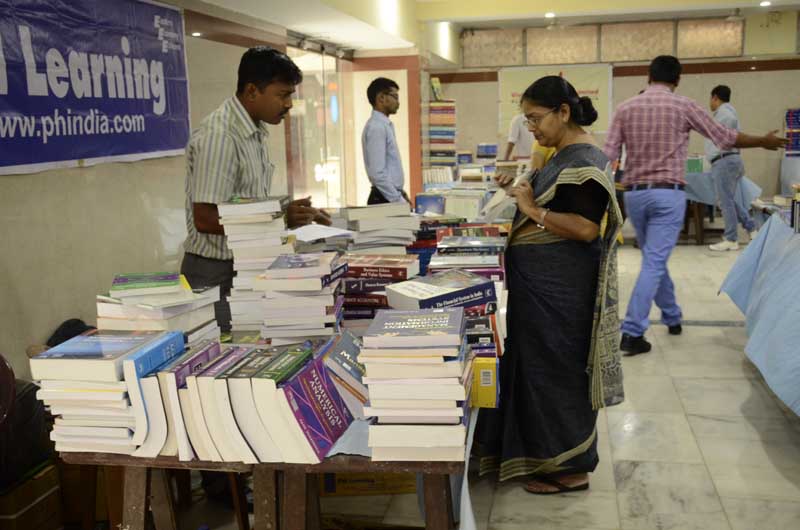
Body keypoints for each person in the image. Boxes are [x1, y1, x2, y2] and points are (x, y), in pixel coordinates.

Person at [480, 76, 624, 495]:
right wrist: (521, 191)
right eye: (526, 121)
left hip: (561, 293)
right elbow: (553, 201)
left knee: (557, 372)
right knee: (536, 371)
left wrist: (530, 209)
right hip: (541, 290)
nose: (532, 129)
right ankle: (538, 456)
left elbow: (583, 228)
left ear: (563, 112)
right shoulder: (562, 154)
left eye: (536, 118)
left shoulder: (585, 161)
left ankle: (570, 468)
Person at [604, 55, 787, 355]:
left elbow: (608, 155)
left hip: (634, 195)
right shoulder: (684, 105)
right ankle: (633, 332)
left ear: (649, 76)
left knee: (653, 257)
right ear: (677, 80)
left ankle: (672, 315)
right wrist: (761, 141)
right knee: (654, 261)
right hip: (668, 196)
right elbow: (723, 137)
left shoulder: (625, 108)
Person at [181, 46, 330, 334]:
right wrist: (280, 219)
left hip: (245, 264)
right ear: (252, 91)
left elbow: (241, 203)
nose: (289, 104)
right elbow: (205, 218)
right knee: (222, 350)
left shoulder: (253, 130)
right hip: (214, 272)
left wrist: (291, 212)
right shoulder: (220, 137)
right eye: (282, 95)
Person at [705, 85, 758, 251]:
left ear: (715, 97)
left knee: (725, 201)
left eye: (710, 99)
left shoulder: (725, 114)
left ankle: (731, 238)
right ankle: (751, 227)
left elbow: (727, 138)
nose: (710, 103)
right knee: (728, 199)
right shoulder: (726, 113)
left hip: (724, 160)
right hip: (727, 160)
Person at [362, 77, 409, 204]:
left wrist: (401, 193)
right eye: (395, 97)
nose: (398, 103)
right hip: (384, 198)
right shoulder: (376, 127)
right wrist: (398, 200)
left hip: (389, 196)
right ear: (381, 98)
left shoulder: (384, 125)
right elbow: (378, 173)